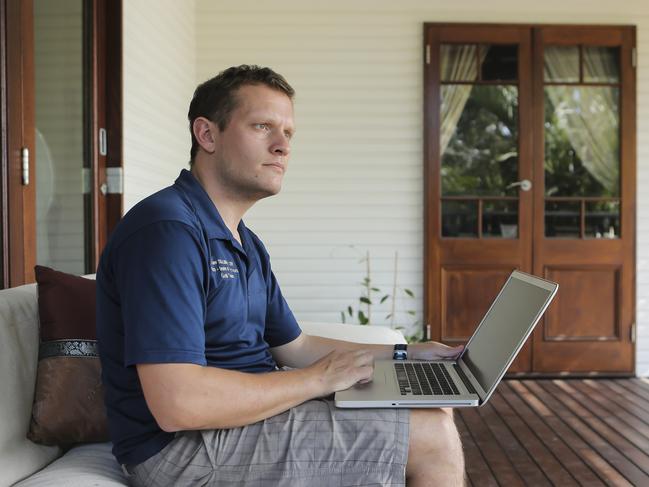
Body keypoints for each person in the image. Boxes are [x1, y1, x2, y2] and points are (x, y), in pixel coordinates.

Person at [96, 65, 465, 486]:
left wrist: (407, 355)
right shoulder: (168, 233)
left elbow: (296, 345)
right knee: (430, 434)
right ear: (207, 135)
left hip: (242, 421)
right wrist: (317, 380)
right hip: (181, 448)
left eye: (288, 133)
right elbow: (178, 403)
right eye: (262, 126)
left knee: (433, 407)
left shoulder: (244, 242)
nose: (282, 146)